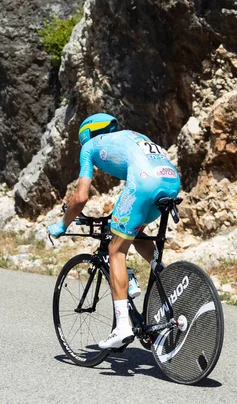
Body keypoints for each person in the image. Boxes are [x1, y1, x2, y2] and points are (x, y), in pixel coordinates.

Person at [47, 113, 181, 349]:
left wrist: (62, 225)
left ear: (86, 135)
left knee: (116, 250)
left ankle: (121, 328)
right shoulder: (132, 136)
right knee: (132, 230)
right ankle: (163, 275)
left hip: (143, 181)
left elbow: (80, 198)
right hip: (171, 182)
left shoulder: (89, 147)